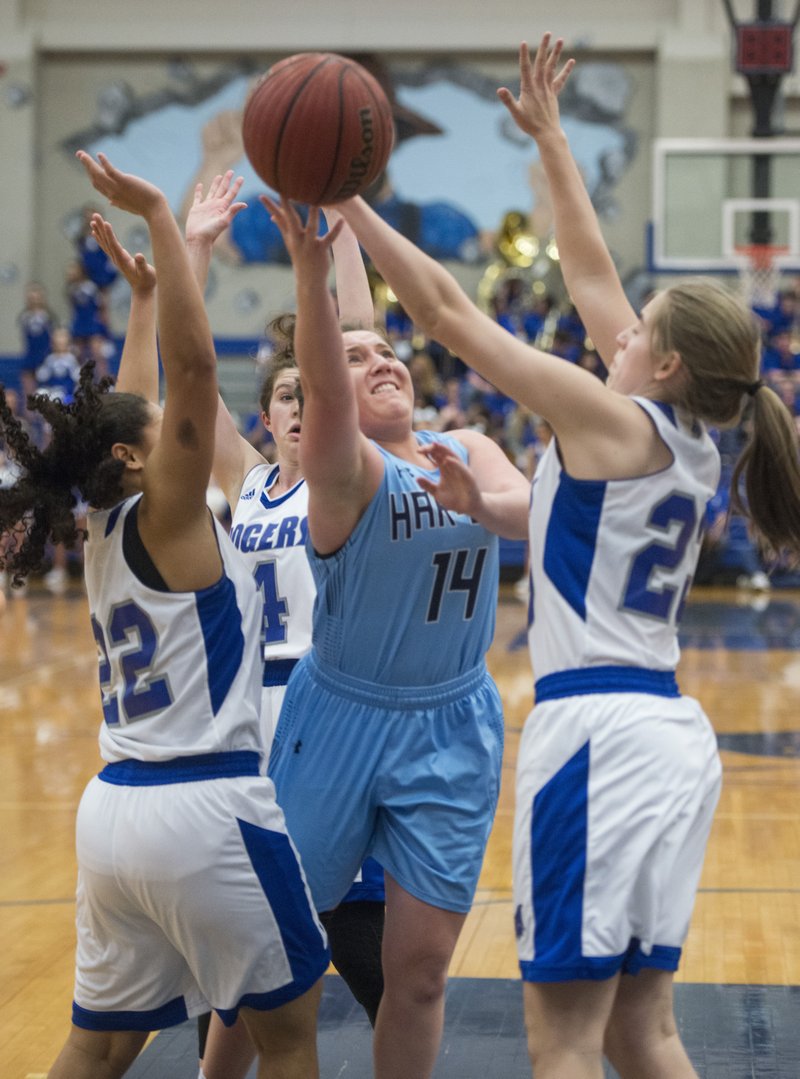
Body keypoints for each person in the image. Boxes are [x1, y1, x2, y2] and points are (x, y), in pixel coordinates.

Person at [333, 32, 800, 1079]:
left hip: (596, 737)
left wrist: (348, 197)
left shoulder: (609, 418)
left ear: (661, 359)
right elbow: (587, 267)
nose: (616, 324)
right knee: (642, 1032)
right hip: (664, 736)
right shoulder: (670, 432)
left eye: (636, 327)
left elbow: (448, 315)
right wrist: (548, 139)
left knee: (564, 1043)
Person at [0, 151, 329, 1079]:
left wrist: (145, 296)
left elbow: (135, 399)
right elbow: (186, 375)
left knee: (98, 1045)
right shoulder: (173, 513)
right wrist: (159, 220)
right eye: (162, 433)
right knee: (293, 1035)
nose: (177, 422)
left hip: (113, 812)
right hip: (207, 805)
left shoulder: (103, 515)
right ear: (141, 461)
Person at [91, 178, 386, 1079]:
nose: (302, 401)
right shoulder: (247, 481)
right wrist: (194, 252)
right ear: (267, 417)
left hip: (324, 710)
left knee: (346, 944)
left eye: (313, 388)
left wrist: (336, 239)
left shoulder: (349, 478)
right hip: (236, 721)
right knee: (251, 967)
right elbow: (176, 394)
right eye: (286, 394)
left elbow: (358, 346)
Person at [260, 190, 531, 1079]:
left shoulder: (467, 443)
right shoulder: (341, 470)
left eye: (389, 351)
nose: (380, 359)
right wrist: (315, 277)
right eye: (356, 357)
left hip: (451, 718)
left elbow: (527, 513)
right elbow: (329, 375)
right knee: (275, 953)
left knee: (416, 973)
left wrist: (478, 502)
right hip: (339, 714)